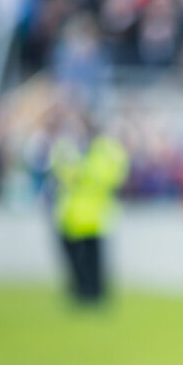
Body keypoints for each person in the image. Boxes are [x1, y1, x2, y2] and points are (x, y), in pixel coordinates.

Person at [50, 121, 129, 305]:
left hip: (92, 215)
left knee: (92, 259)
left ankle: (93, 293)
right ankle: (82, 291)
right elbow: (63, 173)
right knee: (79, 258)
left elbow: (113, 176)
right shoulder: (72, 149)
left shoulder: (102, 151)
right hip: (74, 215)